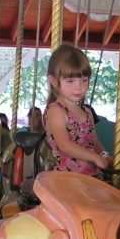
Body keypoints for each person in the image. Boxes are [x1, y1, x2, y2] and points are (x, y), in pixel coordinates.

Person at [43, 44, 109, 178]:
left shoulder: (87, 112)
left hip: (91, 176)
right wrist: (96, 158)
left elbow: (95, 143)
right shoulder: (56, 110)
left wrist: (105, 156)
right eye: (70, 81)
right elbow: (64, 145)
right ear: (54, 81)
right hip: (67, 178)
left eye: (84, 80)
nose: (79, 87)